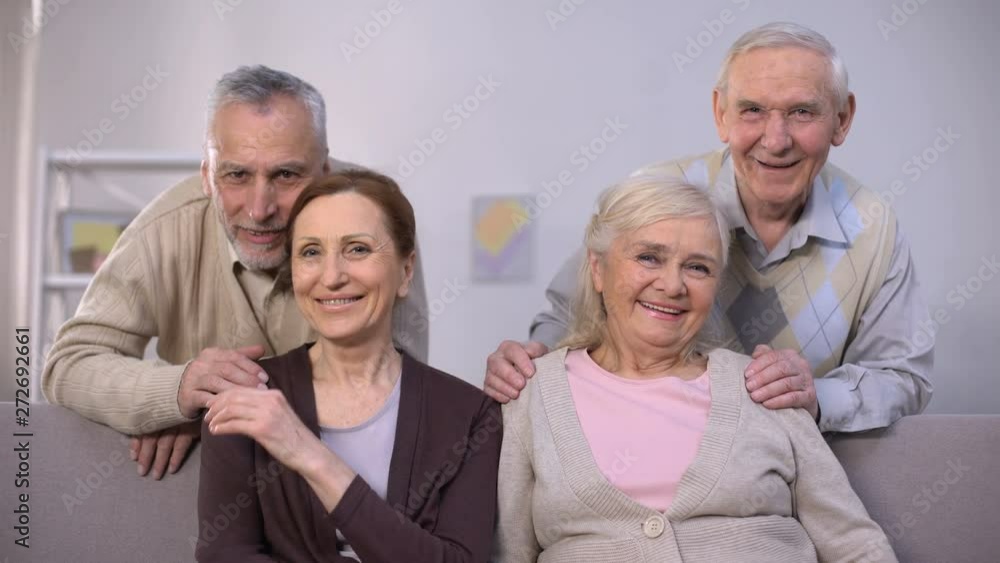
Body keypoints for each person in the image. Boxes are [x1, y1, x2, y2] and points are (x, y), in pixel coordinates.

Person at [485, 22, 932, 433]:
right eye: (752, 110)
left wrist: (818, 397)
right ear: (721, 113)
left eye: (801, 112)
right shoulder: (655, 194)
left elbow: (904, 376)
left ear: (842, 118)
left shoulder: (874, 227)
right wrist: (529, 362)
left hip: (789, 464)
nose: (775, 141)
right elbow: (567, 318)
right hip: (647, 443)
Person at [41, 65, 429, 479]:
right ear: (207, 176)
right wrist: (176, 390)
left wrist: (213, 414)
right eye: (237, 175)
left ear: (324, 173)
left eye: (286, 174)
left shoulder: (375, 215)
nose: (260, 209)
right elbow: (68, 364)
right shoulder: (163, 231)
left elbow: (394, 387)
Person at [494, 176, 895, 562]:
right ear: (598, 269)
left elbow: (853, 543)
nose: (672, 286)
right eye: (649, 257)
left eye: (698, 268)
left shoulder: (765, 386)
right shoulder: (532, 394)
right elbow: (505, 552)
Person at [197, 170, 500, 562]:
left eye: (357, 249)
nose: (332, 276)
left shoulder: (470, 416)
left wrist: (310, 454)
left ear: (406, 272)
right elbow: (226, 556)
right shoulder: (244, 398)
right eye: (310, 252)